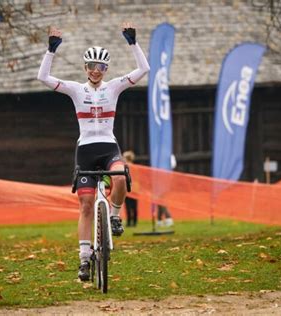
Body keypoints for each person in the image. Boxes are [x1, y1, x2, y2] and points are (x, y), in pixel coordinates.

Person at [37, 22, 150, 281]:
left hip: (108, 147)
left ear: (106, 69)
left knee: (120, 176)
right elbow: (43, 78)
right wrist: (51, 51)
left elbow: (144, 69)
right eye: (91, 66)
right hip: (86, 151)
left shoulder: (114, 87)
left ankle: (114, 216)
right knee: (86, 206)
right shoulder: (77, 90)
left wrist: (132, 43)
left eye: (100, 67)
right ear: (85, 68)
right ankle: (84, 260)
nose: (95, 71)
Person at [156, 154, 176, 227]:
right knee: (158, 201)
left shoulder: (169, 155)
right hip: (157, 179)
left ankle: (168, 219)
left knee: (161, 200)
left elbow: (173, 165)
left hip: (164, 180)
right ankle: (159, 221)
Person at [122, 150, 138, 227]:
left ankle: (129, 222)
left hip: (128, 188)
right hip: (135, 189)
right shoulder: (136, 167)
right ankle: (134, 221)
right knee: (134, 207)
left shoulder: (125, 167)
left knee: (128, 206)